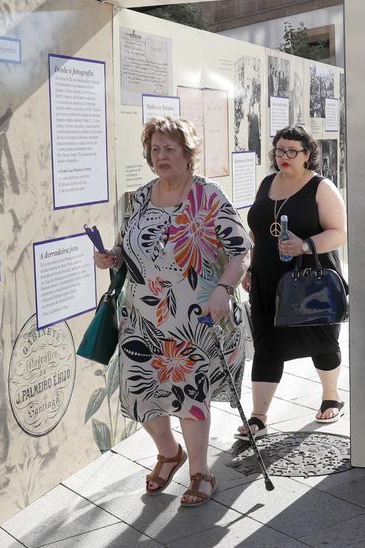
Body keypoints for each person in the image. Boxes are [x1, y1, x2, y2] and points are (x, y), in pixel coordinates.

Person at [95, 117, 250, 507]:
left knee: (189, 396)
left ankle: (200, 472)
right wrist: (111, 256)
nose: (160, 156)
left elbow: (240, 250)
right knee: (140, 393)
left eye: (169, 149)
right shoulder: (141, 197)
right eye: (155, 149)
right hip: (142, 320)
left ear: (187, 154)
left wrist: (224, 290)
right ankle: (169, 453)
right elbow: (126, 248)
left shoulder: (208, 196)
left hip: (196, 319)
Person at [239, 126, 348, 438]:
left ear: (307, 155)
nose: (284, 156)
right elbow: (258, 233)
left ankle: (331, 396)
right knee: (265, 343)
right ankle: (258, 417)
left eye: (292, 151)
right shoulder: (266, 184)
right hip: (268, 279)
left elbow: (339, 232)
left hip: (311, 279)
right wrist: (249, 267)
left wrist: (304, 245)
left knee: (320, 336)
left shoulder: (321, 187)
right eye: (279, 150)